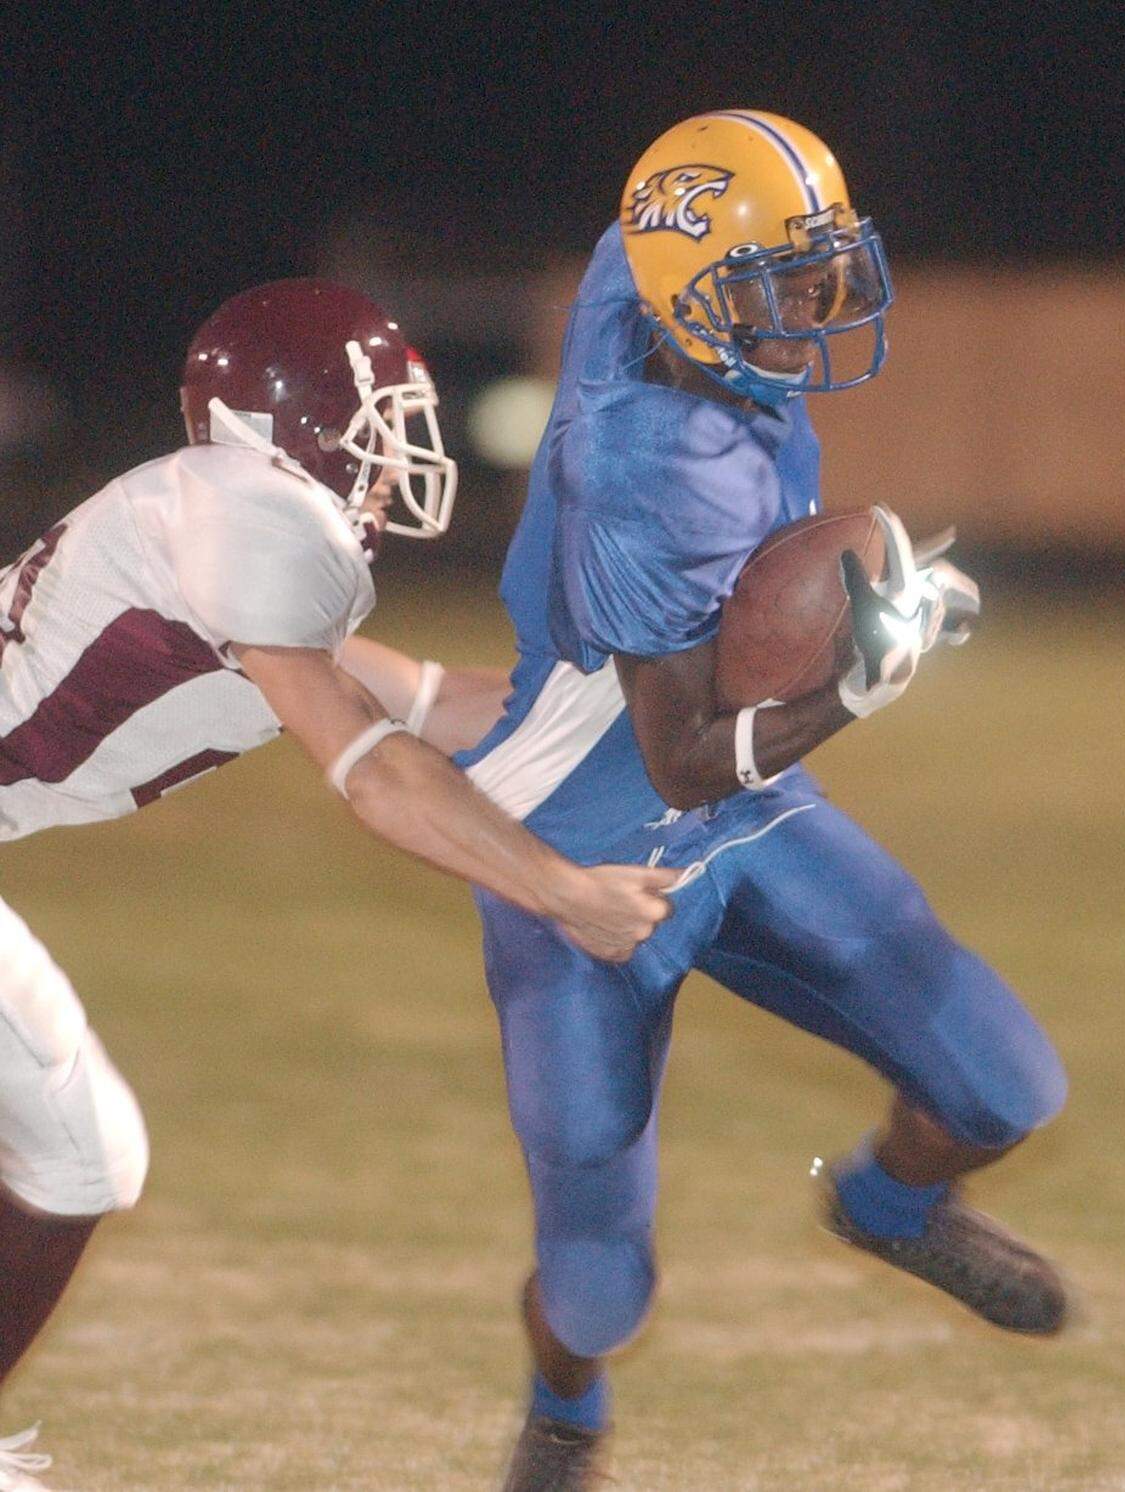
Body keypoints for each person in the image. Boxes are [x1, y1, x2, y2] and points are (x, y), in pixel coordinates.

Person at [451, 112, 1070, 1490]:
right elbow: (681, 759)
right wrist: (861, 677)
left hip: (744, 810)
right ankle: (564, 1408)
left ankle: (888, 1204)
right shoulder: (639, 463)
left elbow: (664, 216)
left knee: (1004, 1083)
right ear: (689, 298)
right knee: (598, 1286)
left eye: (819, 269)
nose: (815, 308)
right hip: (585, 857)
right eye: (781, 286)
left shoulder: (656, 273)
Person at [0, 278, 676, 1492]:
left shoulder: (213, 529)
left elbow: (447, 706)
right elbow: (378, 774)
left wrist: (707, 693)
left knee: (83, 1153)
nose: (393, 458)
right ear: (289, 425)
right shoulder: (251, 516)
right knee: (79, 1150)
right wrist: (563, 892)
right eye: (378, 426)